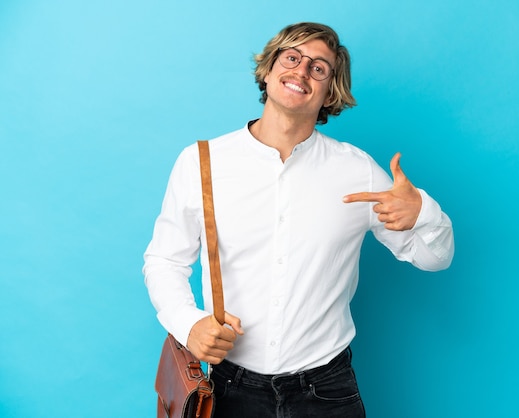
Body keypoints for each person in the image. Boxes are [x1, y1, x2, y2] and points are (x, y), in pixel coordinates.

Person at [143, 22, 454, 417]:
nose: (302, 71)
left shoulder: (358, 171)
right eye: (292, 57)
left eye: (319, 68)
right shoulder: (201, 162)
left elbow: (434, 259)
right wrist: (189, 324)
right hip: (229, 389)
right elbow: (164, 261)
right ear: (269, 69)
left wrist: (423, 214)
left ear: (330, 92)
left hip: (327, 391)